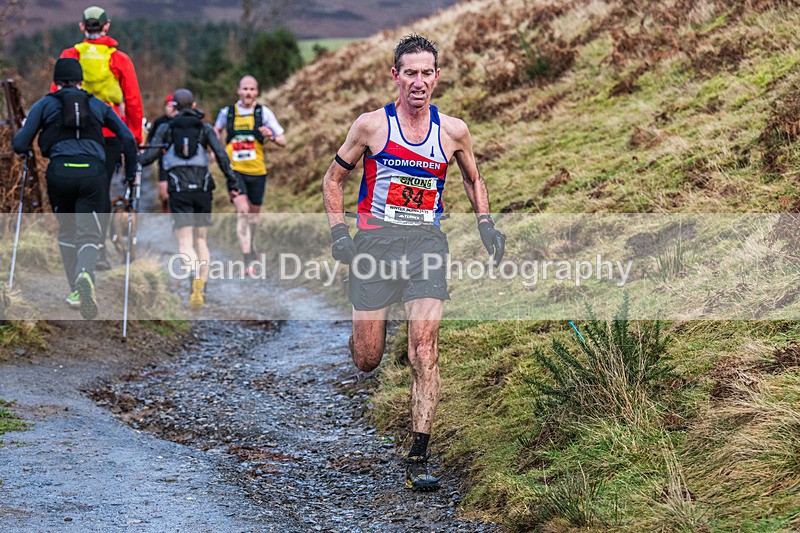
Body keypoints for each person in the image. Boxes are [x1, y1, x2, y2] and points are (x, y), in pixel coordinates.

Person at [322, 35, 506, 491]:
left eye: (427, 73)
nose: (419, 82)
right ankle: (365, 329)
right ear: (396, 76)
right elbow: (333, 178)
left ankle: (418, 456)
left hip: (426, 245)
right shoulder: (371, 126)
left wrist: (486, 223)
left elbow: (473, 177)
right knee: (367, 359)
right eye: (410, 73)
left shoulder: (454, 131)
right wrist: (338, 233)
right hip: (375, 246)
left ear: (437, 77)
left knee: (424, 349)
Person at [13, 58, 138, 319]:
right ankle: (86, 274)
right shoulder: (98, 105)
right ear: (81, 80)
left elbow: (20, 143)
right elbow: (127, 138)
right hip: (93, 174)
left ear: (57, 81)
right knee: (89, 233)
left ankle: (75, 290)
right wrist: (130, 175)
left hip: (60, 173)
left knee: (67, 231)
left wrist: (25, 148)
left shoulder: (45, 104)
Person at [55, 5, 144, 270]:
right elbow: (133, 100)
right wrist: (134, 138)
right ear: (107, 26)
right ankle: (100, 248)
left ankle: (73, 244)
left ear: (82, 26)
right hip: (108, 135)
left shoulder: (70, 55)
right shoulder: (119, 59)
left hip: (74, 133)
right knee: (100, 190)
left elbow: (55, 94)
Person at [139, 89, 238, 310]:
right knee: (201, 240)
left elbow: (147, 158)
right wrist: (233, 183)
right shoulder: (205, 129)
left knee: (184, 241)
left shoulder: (166, 128)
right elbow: (222, 156)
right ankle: (201, 285)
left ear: (174, 106)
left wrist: (129, 156)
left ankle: (192, 275)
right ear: (194, 106)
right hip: (202, 188)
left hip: (178, 188)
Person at [213, 75, 286, 274]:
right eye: (244, 89)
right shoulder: (227, 113)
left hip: (257, 171)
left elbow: (283, 140)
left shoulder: (263, 113)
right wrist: (216, 150)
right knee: (243, 211)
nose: (247, 93)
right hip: (234, 171)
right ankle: (247, 260)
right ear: (238, 91)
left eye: (251, 89)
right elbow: (215, 130)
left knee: (253, 217)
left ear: (256, 92)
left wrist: (270, 135)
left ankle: (251, 246)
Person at [146, 92, 178, 213]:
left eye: (173, 106)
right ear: (165, 107)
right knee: (164, 194)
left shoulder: (182, 122)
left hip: (177, 162)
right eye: (169, 106)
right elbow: (150, 141)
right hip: (163, 162)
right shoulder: (159, 122)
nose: (171, 109)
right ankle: (165, 209)